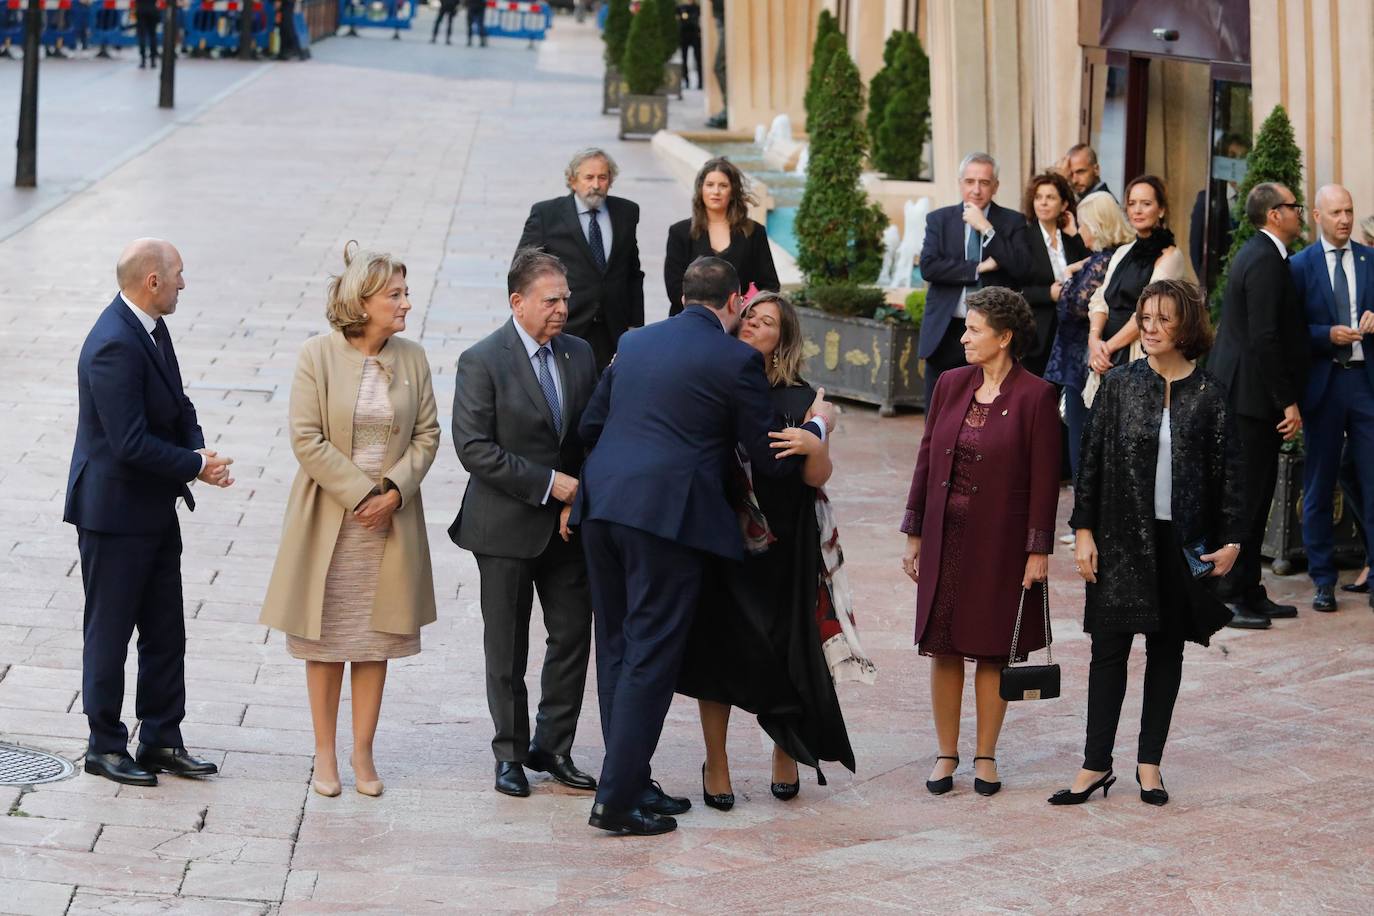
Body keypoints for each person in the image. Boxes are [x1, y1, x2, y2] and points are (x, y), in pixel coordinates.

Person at [571, 257, 832, 836]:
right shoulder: (736, 358)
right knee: (650, 655)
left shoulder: (634, 342)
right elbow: (767, 458)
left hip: (602, 508)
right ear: (734, 300)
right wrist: (817, 428)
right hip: (666, 521)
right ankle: (615, 801)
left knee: (616, 649)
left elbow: (590, 427)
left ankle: (631, 781)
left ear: (683, 294)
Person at [259, 243, 440, 798]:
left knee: (374, 640)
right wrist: (361, 493)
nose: (406, 303)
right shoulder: (316, 355)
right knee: (325, 640)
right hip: (329, 521)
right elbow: (306, 437)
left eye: (405, 293)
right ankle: (324, 753)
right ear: (362, 301)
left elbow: (428, 435)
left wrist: (393, 492)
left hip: (390, 523)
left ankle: (363, 753)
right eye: (396, 294)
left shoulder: (412, 357)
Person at [1051, 279, 1242, 807]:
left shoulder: (1209, 393)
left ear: (1186, 327)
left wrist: (1232, 541)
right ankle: (1094, 765)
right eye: (1144, 317)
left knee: (1167, 650)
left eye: (1162, 319)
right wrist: (1083, 532)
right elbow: (1090, 462)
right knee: (1108, 649)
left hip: (1180, 541)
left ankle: (1149, 763)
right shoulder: (1121, 384)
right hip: (1118, 533)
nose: (1149, 328)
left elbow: (1229, 472)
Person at [678, 291, 867, 810]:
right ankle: (715, 761)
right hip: (719, 537)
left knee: (784, 647)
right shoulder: (710, 380)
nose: (754, 325)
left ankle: (787, 748)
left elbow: (817, 477)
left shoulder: (801, 396)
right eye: (750, 317)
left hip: (785, 540)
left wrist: (814, 439)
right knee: (716, 653)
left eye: (767, 323)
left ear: (782, 341)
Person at [65, 238, 235, 786]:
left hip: (153, 509)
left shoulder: (151, 329)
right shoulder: (113, 343)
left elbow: (178, 403)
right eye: (179, 274)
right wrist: (194, 465)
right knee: (110, 632)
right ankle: (105, 744)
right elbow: (129, 442)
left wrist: (198, 449)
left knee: (166, 630)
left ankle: (161, 737)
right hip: (113, 515)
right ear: (152, 282)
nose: (184, 283)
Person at [449, 249, 600, 798]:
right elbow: (474, 449)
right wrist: (548, 484)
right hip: (504, 528)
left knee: (571, 637)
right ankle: (509, 754)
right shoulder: (482, 359)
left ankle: (554, 747)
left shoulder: (580, 354)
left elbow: (587, 435)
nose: (562, 308)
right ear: (518, 301)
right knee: (506, 646)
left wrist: (570, 498)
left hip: (566, 528)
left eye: (566, 298)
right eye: (551, 300)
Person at [900, 287, 1060, 798]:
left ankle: (985, 755)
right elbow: (927, 459)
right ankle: (946, 753)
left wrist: (1038, 550)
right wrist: (914, 534)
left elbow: (1044, 480)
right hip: (946, 536)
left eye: (973, 329)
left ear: (1005, 337)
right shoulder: (949, 384)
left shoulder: (1037, 395)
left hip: (1001, 543)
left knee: (992, 650)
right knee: (942, 646)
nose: (963, 336)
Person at [1209, 183, 1311, 629]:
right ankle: (1229, 595)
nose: (1299, 212)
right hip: (1250, 400)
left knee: (1254, 496)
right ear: (1274, 214)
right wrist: (1286, 401)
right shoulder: (1266, 259)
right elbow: (1265, 337)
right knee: (1246, 501)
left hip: (1246, 395)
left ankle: (1249, 588)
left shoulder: (1261, 253)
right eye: (1293, 206)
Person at [1289, 185, 1374, 613]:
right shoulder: (1300, 266)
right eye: (1336, 212)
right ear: (1317, 216)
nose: (1344, 219)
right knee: (1319, 485)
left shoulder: (1370, 259)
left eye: (1349, 211)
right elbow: (1289, 330)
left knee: (1372, 481)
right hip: (1323, 385)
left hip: (1364, 384)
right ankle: (1323, 581)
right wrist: (1327, 335)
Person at [917, 152, 1031, 407]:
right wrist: (977, 268)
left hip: (992, 333)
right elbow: (929, 267)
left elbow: (1022, 267)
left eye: (984, 182)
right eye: (970, 181)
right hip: (947, 330)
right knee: (939, 412)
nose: (976, 190)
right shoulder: (940, 219)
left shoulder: (1012, 222)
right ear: (960, 183)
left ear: (996, 186)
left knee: (987, 409)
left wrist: (987, 229)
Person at [517, 148, 645, 371]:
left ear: (611, 180)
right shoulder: (547, 214)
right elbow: (523, 269)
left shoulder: (627, 213)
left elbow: (633, 272)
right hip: (566, 325)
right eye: (589, 177)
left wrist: (636, 325)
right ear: (572, 180)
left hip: (614, 329)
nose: (596, 185)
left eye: (602, 177)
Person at [1045, 191, 1134, 480]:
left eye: (1083, 224)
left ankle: (1085, 524)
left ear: (1095, 226)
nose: (1079, 231)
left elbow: (1075, 305)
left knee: (1082, 449)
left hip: (1085, 364)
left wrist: (1066, 283)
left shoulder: (1103, 262)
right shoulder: (1103, 259)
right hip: (1081, 362)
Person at [1086, 176, 1190, 385]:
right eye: (1132, 204)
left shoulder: (1170, 256)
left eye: (1146, 203)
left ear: (1161, 210)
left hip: (1137, 353)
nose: (1137, 210)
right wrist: (1094, 339)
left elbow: (1148, 312)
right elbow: (1100, 298)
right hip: (1105, 353)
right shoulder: (1123, 252)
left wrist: (1107, 348)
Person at [665, 158, 779, 316]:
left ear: (733, 191)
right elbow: (674, 288)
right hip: (690, 323)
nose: (716, 191)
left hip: (738, 324)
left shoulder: (754, 232)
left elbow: (770, 286)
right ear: (701, 189)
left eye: (723, 185)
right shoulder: (680, 232)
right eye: (710, 185)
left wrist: (746, 313)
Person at [1018, 171, 1090, 378]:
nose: (1043, 203)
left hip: (1074, 331)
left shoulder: (1071, 238)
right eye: (1038, 197)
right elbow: (1014, 287)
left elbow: (1093, 269)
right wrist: (1047, 294)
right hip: (1038, 334)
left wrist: (1075, 234)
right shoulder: (1024, 238)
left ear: (1064, 204)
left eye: (1050, 197)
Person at [677, 2, 703, 89]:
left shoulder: (697, 8)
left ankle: (700, 82)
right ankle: (686, 81)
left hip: (695, 35)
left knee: (698, 59)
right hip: (684, 35)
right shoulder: (681, 7)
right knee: (684, 59)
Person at [135, 0, 160, 68]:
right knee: (153, 36)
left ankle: (143, 61)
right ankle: (153, 61)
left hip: (141, 11)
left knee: (142, 36)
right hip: (152, 11)